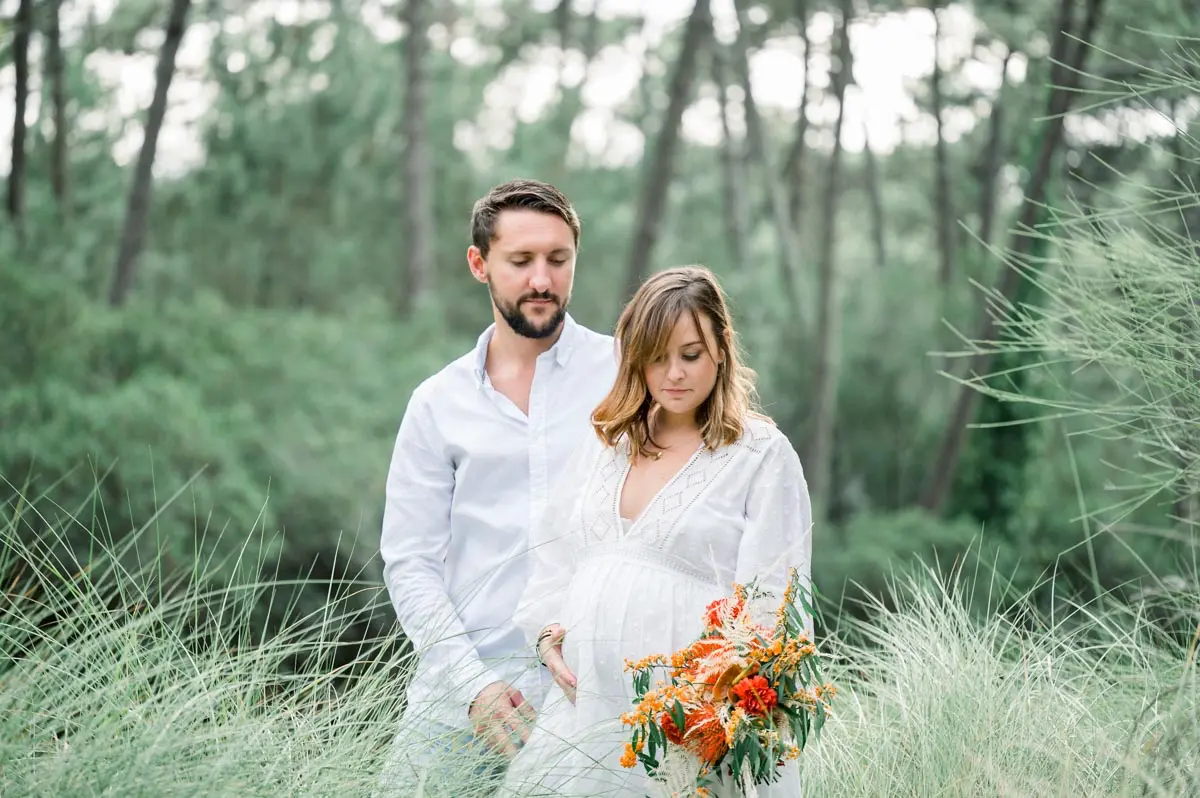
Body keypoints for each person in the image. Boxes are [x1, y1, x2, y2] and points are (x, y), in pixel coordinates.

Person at [498, 265, 814, 797]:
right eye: (655, 357)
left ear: (721, 347)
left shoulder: (759, 454)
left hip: (686, 729)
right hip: (584, 717)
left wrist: (722, 714)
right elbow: (555, 556)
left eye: (690, 354)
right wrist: (548, 635)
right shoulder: (607, 446)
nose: (673, 374)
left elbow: (777, 601)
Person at [376, 179, 618, 795]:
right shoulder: (436, 404)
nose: (542, 280)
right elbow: (409, 563)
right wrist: (473, 687)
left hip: (594, 696)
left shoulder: (625, 375)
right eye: (521, 261)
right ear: (479, 264)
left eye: (558, 260)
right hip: (459, 698)